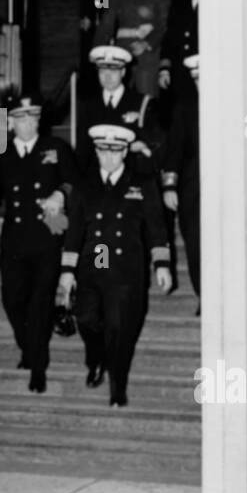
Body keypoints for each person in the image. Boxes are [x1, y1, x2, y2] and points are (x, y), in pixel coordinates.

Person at [58, 125, 172, 407]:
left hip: (126, 266)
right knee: (86, 317)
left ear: (124, 151)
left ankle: (117, 388)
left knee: (119, 328)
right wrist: (67, 273)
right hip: (99, 254)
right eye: (103, 152)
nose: (109, 159)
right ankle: (96, 357)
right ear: (96, 151)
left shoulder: (142, 183)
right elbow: (74, 232)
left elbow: (157, 227)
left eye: (115, 152)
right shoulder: (85, 184)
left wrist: (162, 264)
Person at [0, 93, 76, 394]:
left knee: (41, 301)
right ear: (10, 121)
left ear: (39, 120)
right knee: (12, 299)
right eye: (20, 118)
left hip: (48, 235)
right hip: (15, 239)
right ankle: (28, 345)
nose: (27, 123)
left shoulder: (55, 148)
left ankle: (38, 366)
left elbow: (74, 181)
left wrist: (61, 194)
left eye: (32, 118)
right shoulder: (2, 151)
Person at [96, 0, 171, 99]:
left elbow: (164, 24)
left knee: (146, 102)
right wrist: (98, 51)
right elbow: (106, 24)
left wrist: (146, 43)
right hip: (121, 54)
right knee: (119, 99)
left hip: (148, 56)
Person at [76, 45, 164, 174]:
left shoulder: (142, 103)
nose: (107, 77)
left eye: (113, 71)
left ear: (123, 72)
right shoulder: (89, 106)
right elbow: (83, 150)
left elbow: (155, 144)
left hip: (134, 178)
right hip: (97, 179)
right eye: (103, 71)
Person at [162, 53, 200, 302]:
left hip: (226, 190)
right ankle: (203, 295)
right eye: (195, 78)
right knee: (195, 244)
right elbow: (174, 150)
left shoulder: (233, 104)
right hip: (191, 189)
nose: (200, 83)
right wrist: (169, 187)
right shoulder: (185, 108)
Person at [159, 0, 199, 92]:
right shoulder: (179, 8)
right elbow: (169, 40)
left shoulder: (216, 9)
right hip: (181, 74)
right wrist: (164, 69)